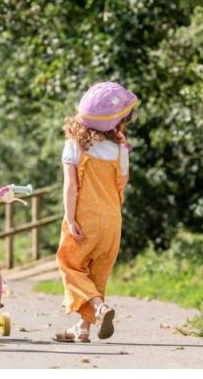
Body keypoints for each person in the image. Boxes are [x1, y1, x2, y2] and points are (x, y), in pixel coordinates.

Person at [54, 82, 136, 342]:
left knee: (70, 265)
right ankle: (82, 329)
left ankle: (100, 308)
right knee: (97, 273)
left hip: (84, 218)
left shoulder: (75, 145)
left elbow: (71, 187)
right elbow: (121, 184)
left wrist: (70, 217)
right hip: (112, 221)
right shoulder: (121, 150)